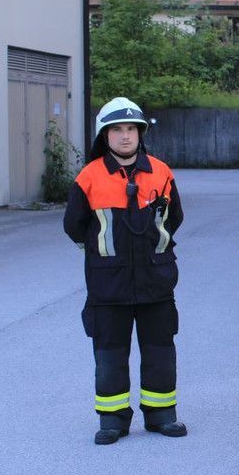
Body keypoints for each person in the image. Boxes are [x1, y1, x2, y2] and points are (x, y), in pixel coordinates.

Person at [64, 97, 187, 446]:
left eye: (131, 128)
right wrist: (103, 256)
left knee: (160, 350)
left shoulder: (161, 172)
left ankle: (161, 415)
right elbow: (74, 225)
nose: (125, 136)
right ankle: (112, 420)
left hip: (156, 281)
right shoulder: (89, 177)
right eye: (117, 129)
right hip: (108, 285)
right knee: (110, 354)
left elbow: (174, 218)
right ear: (105, 135)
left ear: (140, 133)